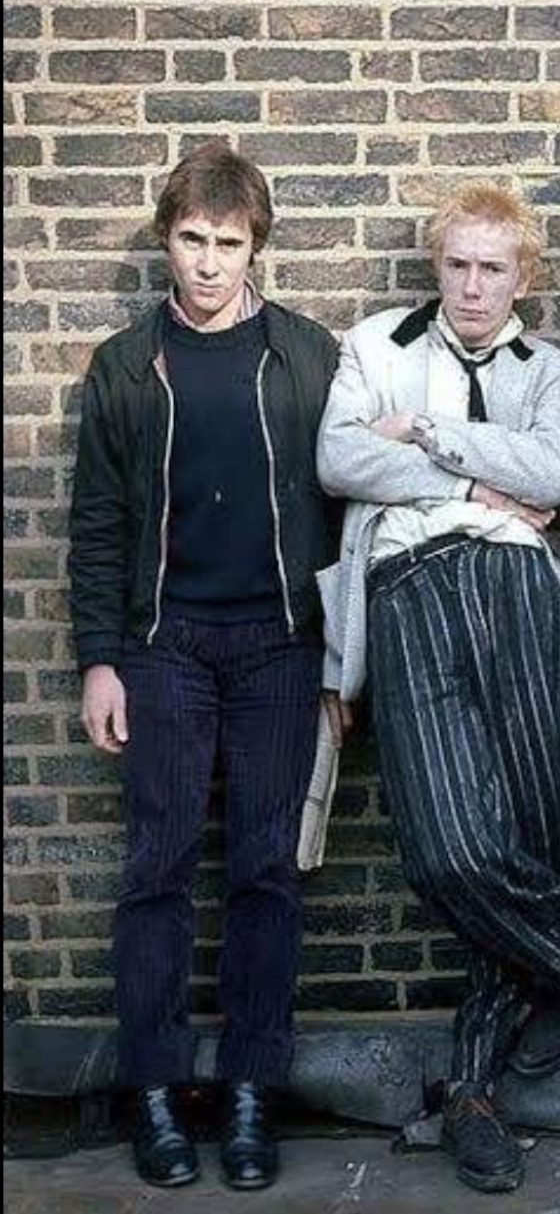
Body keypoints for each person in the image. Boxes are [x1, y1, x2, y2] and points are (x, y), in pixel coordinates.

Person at [315, 181, 560, 1195]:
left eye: (494, 268)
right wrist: (469, 487)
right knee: (448, 846)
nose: (473, 287)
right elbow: (338, 456)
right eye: (457, 264)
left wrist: (428, 435)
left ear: (522, 276)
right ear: (435, 265)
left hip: (522, 596)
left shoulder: (550, 371)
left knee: (523, 835)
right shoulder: (374, 346)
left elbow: (551, 473)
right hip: (411, 587)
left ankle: (474, 1096)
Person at [68, 143, 342, 1190]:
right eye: (192, 239)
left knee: (267, 869)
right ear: (165, 240)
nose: (210, 262)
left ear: (256, 245)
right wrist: (100, 660)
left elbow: (348, 510)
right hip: (164, 646)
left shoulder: (306, 356)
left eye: (229, 242)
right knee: (159, 866)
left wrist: (340, 663)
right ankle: (154, 1089)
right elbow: (98, 525)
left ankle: (250, 1093)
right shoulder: (125, 365)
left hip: (280, 645)